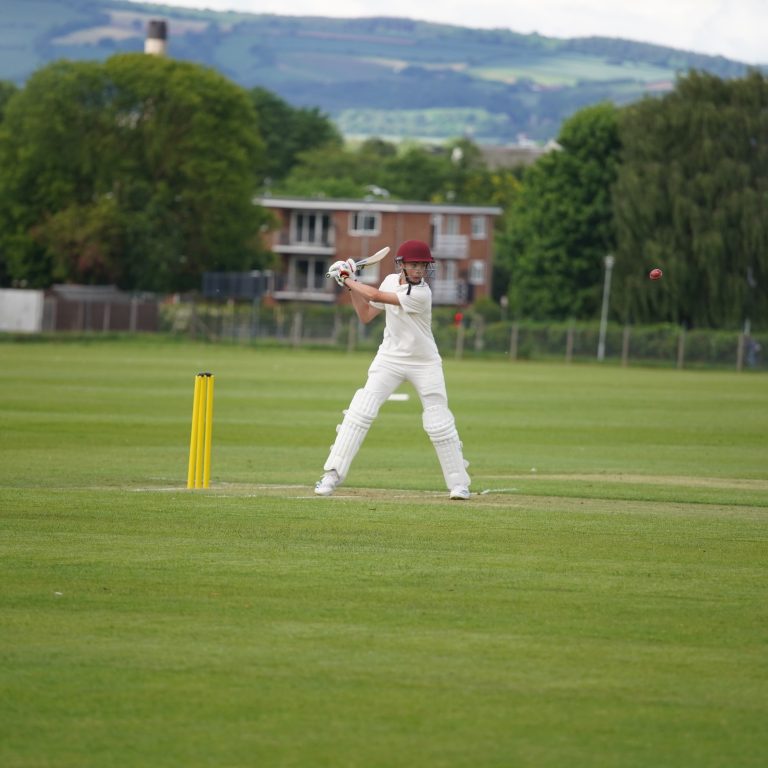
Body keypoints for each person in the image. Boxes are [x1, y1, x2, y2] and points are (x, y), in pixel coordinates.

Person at [315, 240, 471, 500]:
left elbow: (375, 296)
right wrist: (351, 280)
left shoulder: (422, 294)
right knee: (359, 411)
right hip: (390, 358)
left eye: (423, 265)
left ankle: (459, 484)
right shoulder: (389, 281)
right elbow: (365, 314)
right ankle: (331, 475)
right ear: (402, 265)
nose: (419, 270)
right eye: (414, 265)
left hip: (425, 362)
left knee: (438, 422)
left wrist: (345, 279)